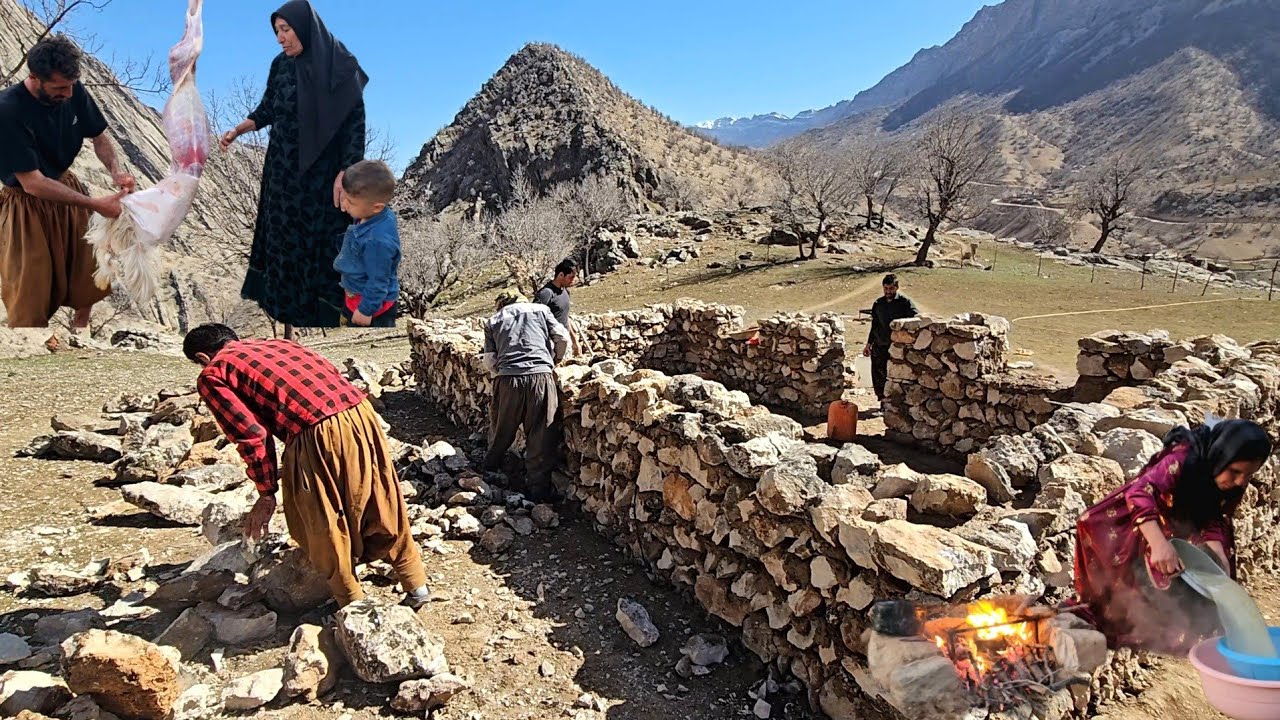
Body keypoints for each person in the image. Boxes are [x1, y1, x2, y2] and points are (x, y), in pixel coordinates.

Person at [183, 323, 429, 608]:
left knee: (320, 518)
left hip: (314, 429)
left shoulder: (214, 373)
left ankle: (353, 605)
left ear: (202, 357)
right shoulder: (279, 345)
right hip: (361, 414)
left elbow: (251, 434)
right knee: (380, 498)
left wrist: (266, 492)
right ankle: (416, 584)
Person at [220, 0, 367, 334]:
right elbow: (267, 108)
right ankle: (288, 331)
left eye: (285, 30)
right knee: (283, 243)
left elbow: (354, 122)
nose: (280, 38)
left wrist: (346, 171)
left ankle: (328, 324)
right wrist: (238, 130)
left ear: (305, 27)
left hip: (323, 176)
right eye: (276, 31)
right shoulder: (280, 66)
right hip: (282, 173)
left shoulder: (339, 65)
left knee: (320, 246)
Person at [1073, 419, 1272, 653]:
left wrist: (1217, 550)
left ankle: (1192, 630)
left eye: (1248, 475)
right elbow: (1140, 492)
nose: (1240, 481)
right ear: (1220, 455)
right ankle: (1110, 619)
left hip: (1184, 519)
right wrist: (1158, 544)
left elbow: (1214, 514)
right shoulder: (1181, 460)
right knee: (1111, 551)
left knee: (1214, 566)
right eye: (1235, 471)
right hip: (1144, 515)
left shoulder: (1228, 479)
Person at [0, 35, 134, 334]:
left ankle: (80, 334)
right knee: (29, 280)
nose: (68, 92)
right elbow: (33, 183)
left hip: (65, 184)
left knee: (85, 265)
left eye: (71, 85)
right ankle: (32, 342)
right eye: (60, 87)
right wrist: (96, 204)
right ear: (34, 78)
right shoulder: (7, 111)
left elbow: (99, 137)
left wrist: (115, 172)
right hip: (26, 200)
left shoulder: (72, 90)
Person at [481, 289, 570, 502]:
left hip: (508, 379)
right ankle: (538, 492)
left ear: (501, 304)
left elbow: (489, 359)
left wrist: (502, 371)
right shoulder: (542, 310)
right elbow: (562, 337)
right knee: (540, 433)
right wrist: (554, 360)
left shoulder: (494, 320)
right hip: (541, 376)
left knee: (501, 428)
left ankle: (489, 473)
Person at [333, 160, 399, 328]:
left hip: (373, 307)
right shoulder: (371, 213)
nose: (345, 204)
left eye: (351, 202)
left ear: (377, 207)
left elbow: (378, 281)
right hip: (356, 294)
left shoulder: (377, 242)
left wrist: (365, 311)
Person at [861, 273, 918, 413]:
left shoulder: (905, 303)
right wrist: (868, 344)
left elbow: (916, 319)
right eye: (885, 288)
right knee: (877, 373)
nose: (888, 291)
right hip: (879, 344)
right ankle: (882, 401)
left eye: (891, 288)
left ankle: (894, 404)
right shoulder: (878, 304)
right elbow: (875, 325)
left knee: (892, 374)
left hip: (896, 347)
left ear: (897, 287)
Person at [534, 258, 580, 355]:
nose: (572, 281)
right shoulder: (546, 293)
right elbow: (534, 319)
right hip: (550, 346)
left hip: (564, 341)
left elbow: (565, 317)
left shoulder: (565, 291)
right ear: (561, 275)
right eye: (570, 277)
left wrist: (574, 340)